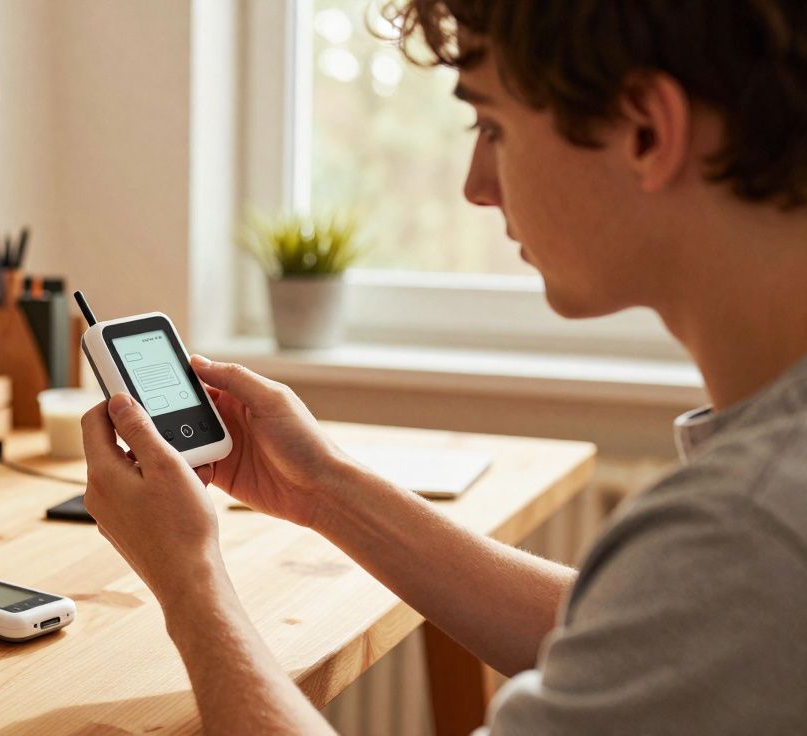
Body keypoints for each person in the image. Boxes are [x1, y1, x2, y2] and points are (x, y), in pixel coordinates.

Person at [79, 1, 807, 734]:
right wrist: (324, 488)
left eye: (491, 126)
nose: (475, 185)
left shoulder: (748, 530)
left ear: (647, 131)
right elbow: (656, 642)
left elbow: (701, 606)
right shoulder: (750, 550)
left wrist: (190, 581)